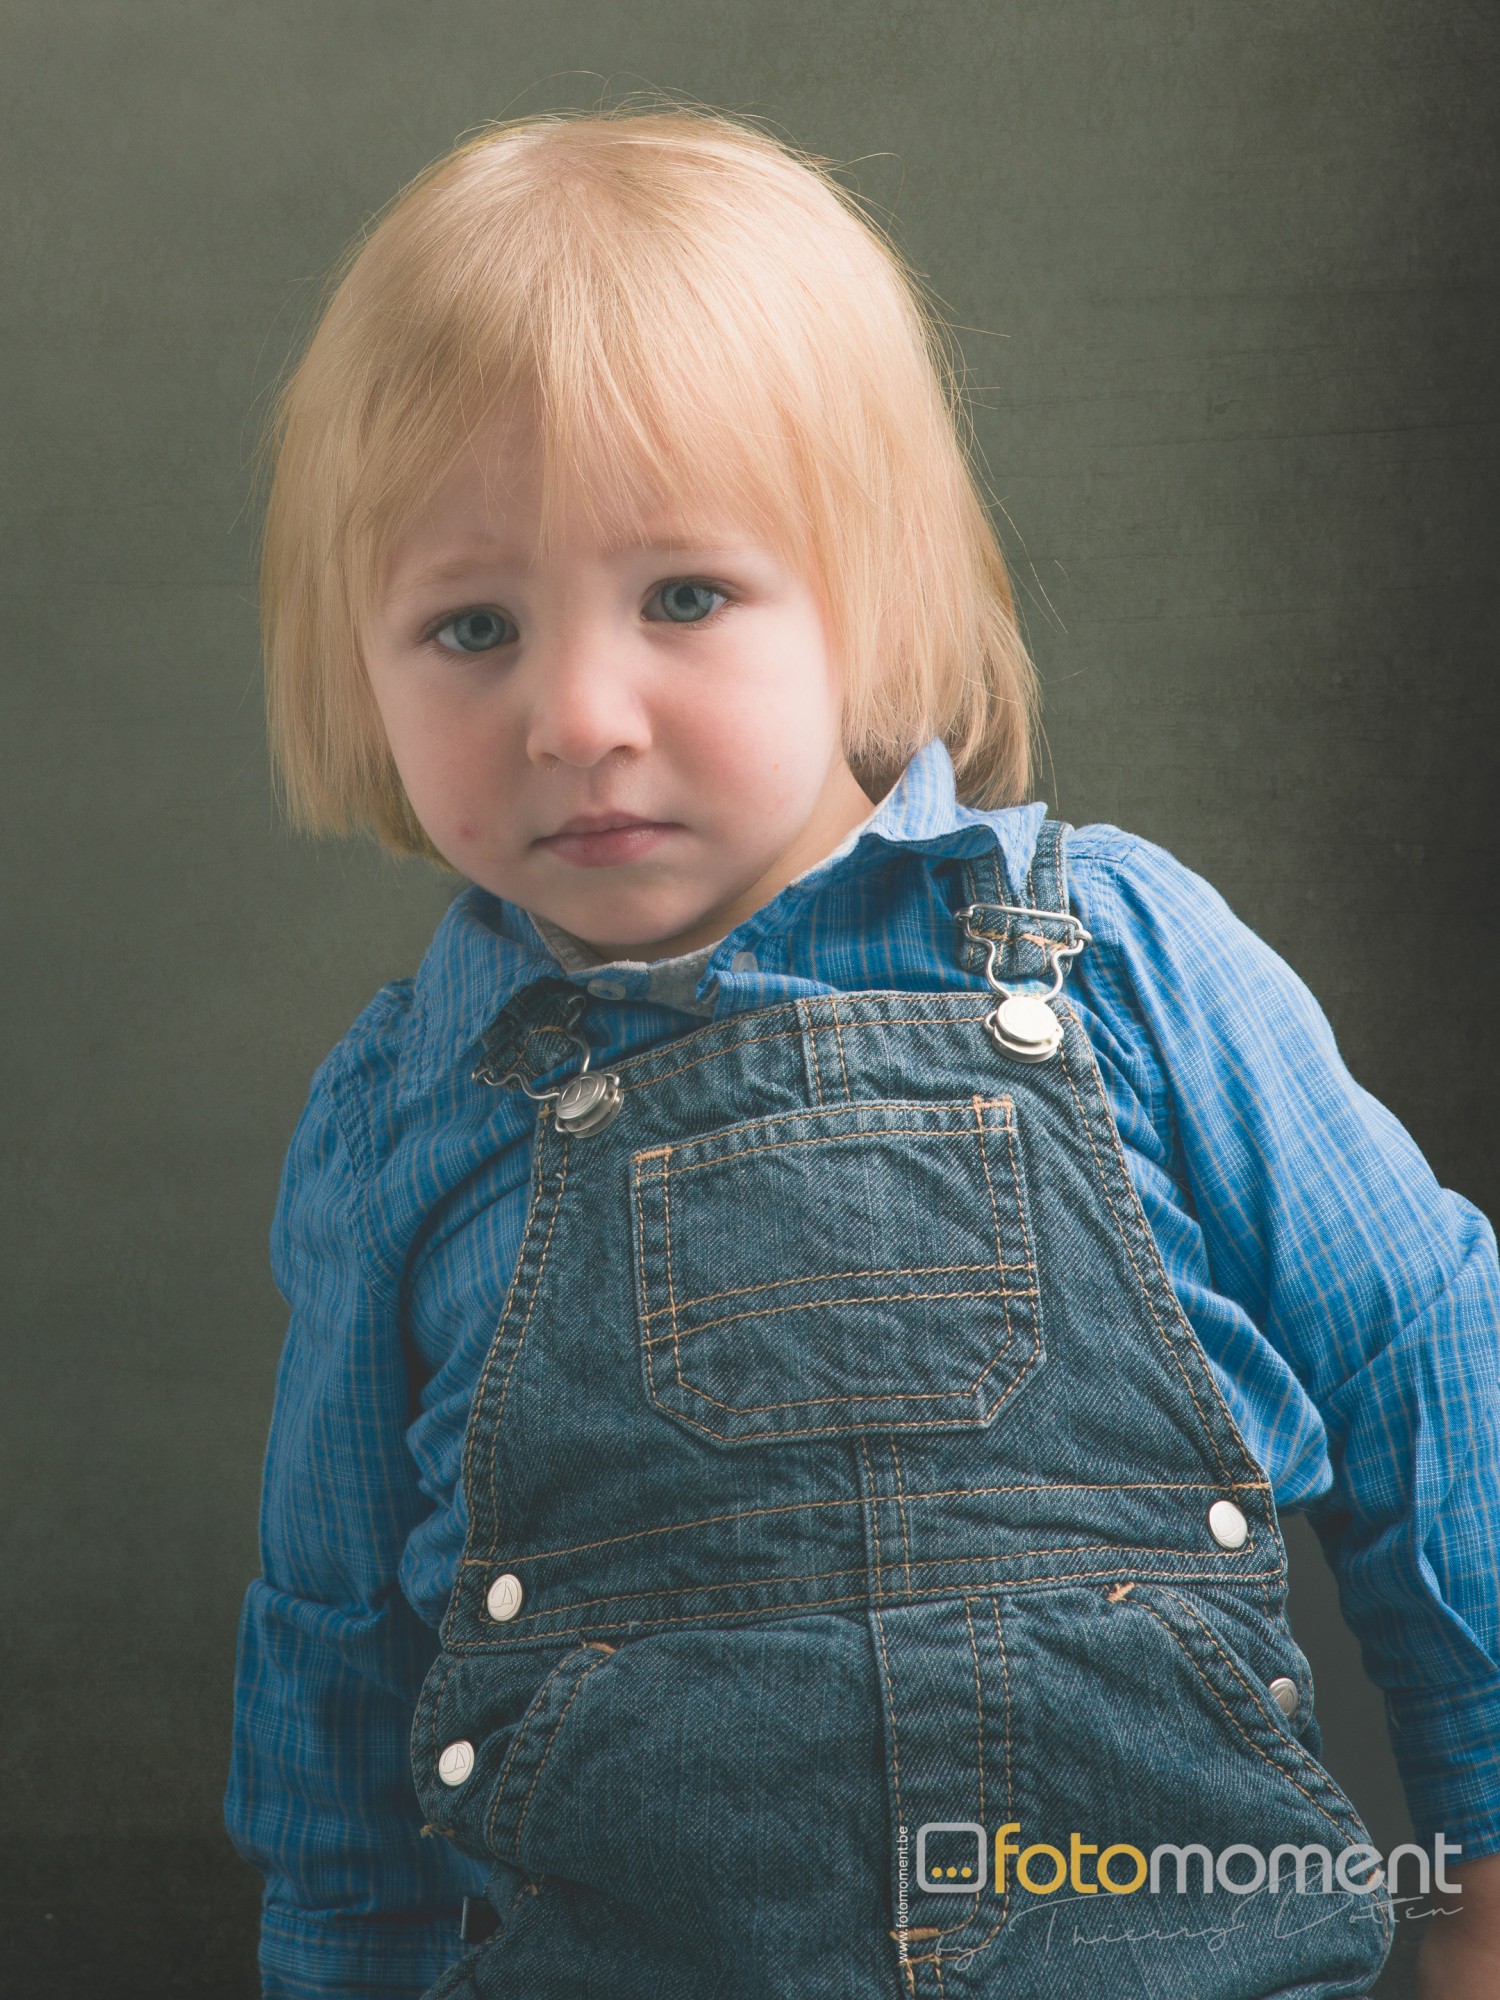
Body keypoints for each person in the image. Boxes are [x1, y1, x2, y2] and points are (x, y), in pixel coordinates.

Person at [224, 104, 1500, 2000]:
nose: (576, 714)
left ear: (869, 591)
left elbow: (1428, 1360)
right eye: (471, 625)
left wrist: (1484, 1857)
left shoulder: (1126, 965)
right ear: (359, 666)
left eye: (684, 597)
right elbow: (334, 1655)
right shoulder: (402, 1117)